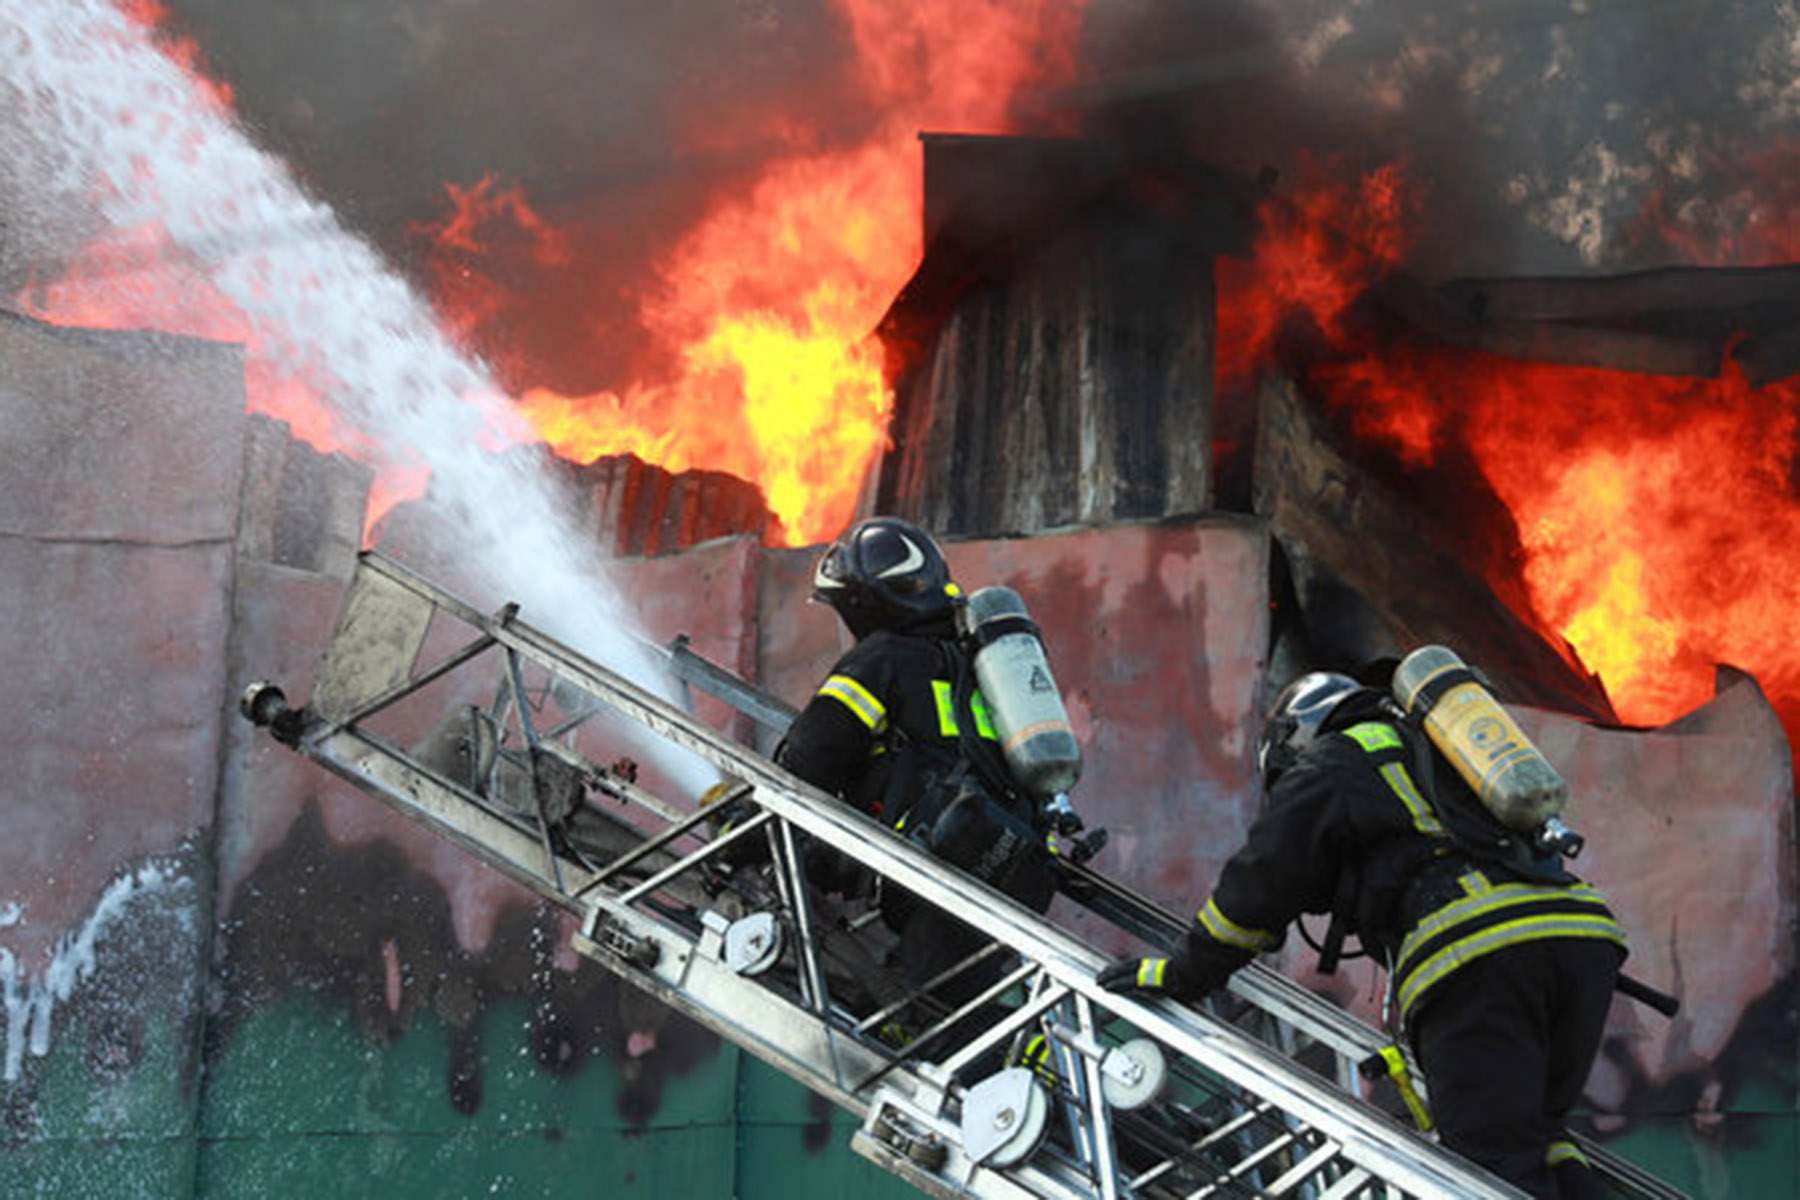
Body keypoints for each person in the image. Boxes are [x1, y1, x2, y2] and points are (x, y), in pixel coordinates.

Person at [1098, 670, 1627, 1200]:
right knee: (1537, 1141)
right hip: (1580, 935)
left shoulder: (1333, 762)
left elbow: (1261, 881)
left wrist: (1181, 973)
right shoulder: (1438, 750)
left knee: (1486, 1174)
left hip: (1477, 953)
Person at [774, 516, 1061, 1032]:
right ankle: (1034, 1062)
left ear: (863, 605)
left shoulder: (880, 658)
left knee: (928, 1020)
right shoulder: (973, 661)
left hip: (951, 861)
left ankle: (1028, 1064)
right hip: (1020, 853)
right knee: (944, 996)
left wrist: (743, 833)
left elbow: (811, 756)